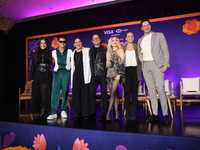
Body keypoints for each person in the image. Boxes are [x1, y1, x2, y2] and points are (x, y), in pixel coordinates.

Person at [138, 19, 170, 124]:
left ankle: (165, 114)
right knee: (151, 90)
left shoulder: (159, 35)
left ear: (150, 26)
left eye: (148, 25)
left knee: (160, 88)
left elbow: (165, 49)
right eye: (144, 26)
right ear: (141, 28)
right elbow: (140, 53)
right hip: (146, 66)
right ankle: (155, 114)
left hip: (157, 65)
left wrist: (165, 64)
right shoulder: (140, 40)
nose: (146, 27)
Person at [47, 35, 72, 119]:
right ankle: (53, 112)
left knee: (65, 91)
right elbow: (52, 62)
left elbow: (74, 62)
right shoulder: (53, 52)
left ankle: (64, 110)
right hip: (57, 73)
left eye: (64, 41)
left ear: (65, 42)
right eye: (60, 41)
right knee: (55, 91)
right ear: (58, 42)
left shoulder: (70, 51)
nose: (62, 43)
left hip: (66, 72)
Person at [30, 37, 53, 119]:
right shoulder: (36, 53)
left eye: (44, 43)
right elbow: (33, 66)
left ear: (47, 44)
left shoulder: (50, 53)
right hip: (37, 74)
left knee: (44, 94)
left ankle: (44, 111)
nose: (43, 45)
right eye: (41, 43)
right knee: (37, 93)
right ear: (39, 44)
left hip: (46, 75)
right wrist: (32, 76)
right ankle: (39, 110)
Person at [123, 32, 142, 121]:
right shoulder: (122, 48)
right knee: (127, 93)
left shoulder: (137, 47)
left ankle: (133, 114)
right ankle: (127, 114)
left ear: (133, 37)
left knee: (134, 93)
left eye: (132, 36)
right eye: (128, 36)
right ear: (126, 38)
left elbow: (141, 60)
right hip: (125, 71)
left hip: (135, 71)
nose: (130, 37)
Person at [71, 38, 91, 120]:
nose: (78, 43)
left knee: (85, 94)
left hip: (84, 74)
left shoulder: (87, 50)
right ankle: (77, 113)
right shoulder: (73, 52)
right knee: (76, 94)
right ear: (74, 44)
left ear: (82, 42)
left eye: (79, 42)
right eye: (76, 42)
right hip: (76, 74)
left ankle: (85, 113)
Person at [106, 36, 125, 122]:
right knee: (114, 95)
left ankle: (108, 114)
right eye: (112, 40)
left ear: (118, 41)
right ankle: (117, 113)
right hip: (108, 76)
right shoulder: (108, 51)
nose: (114, 42)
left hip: (116, 75)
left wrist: (119, 75)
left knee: (112, 94)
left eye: (116, 40)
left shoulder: (120, 50)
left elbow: (122, 64)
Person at [89, 34, 107, 121]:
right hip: (93, 75)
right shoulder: (90, 50)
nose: (95, 40)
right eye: (94, 39)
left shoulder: (105, 49)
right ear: (92, 41)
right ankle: (92, 112)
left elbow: (108, 62)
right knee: (91, 94)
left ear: (100, 40)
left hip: (103, 74)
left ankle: (103, 113)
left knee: (104, 94)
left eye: (97, 38)